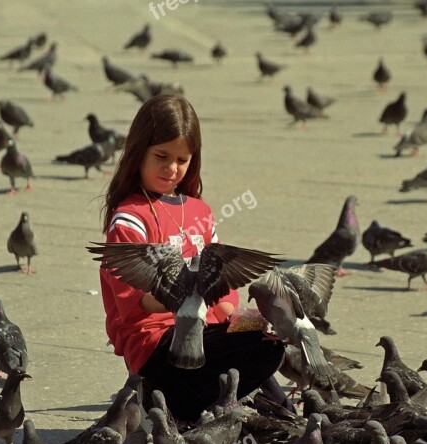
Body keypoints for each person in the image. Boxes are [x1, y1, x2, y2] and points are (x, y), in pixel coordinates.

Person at [98, 94, 290, 422]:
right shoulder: (130, 219)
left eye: (182, 160)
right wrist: (185, 292)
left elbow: (223, 295)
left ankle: (204, 410)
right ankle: (166, 401)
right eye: (161, 156)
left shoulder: (200, 211)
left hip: (208, 335)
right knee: (254, 364)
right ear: (138, 151)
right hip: (159, 345)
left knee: (272, 340)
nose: (172, 169)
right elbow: (136, 303)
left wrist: (250, 319)